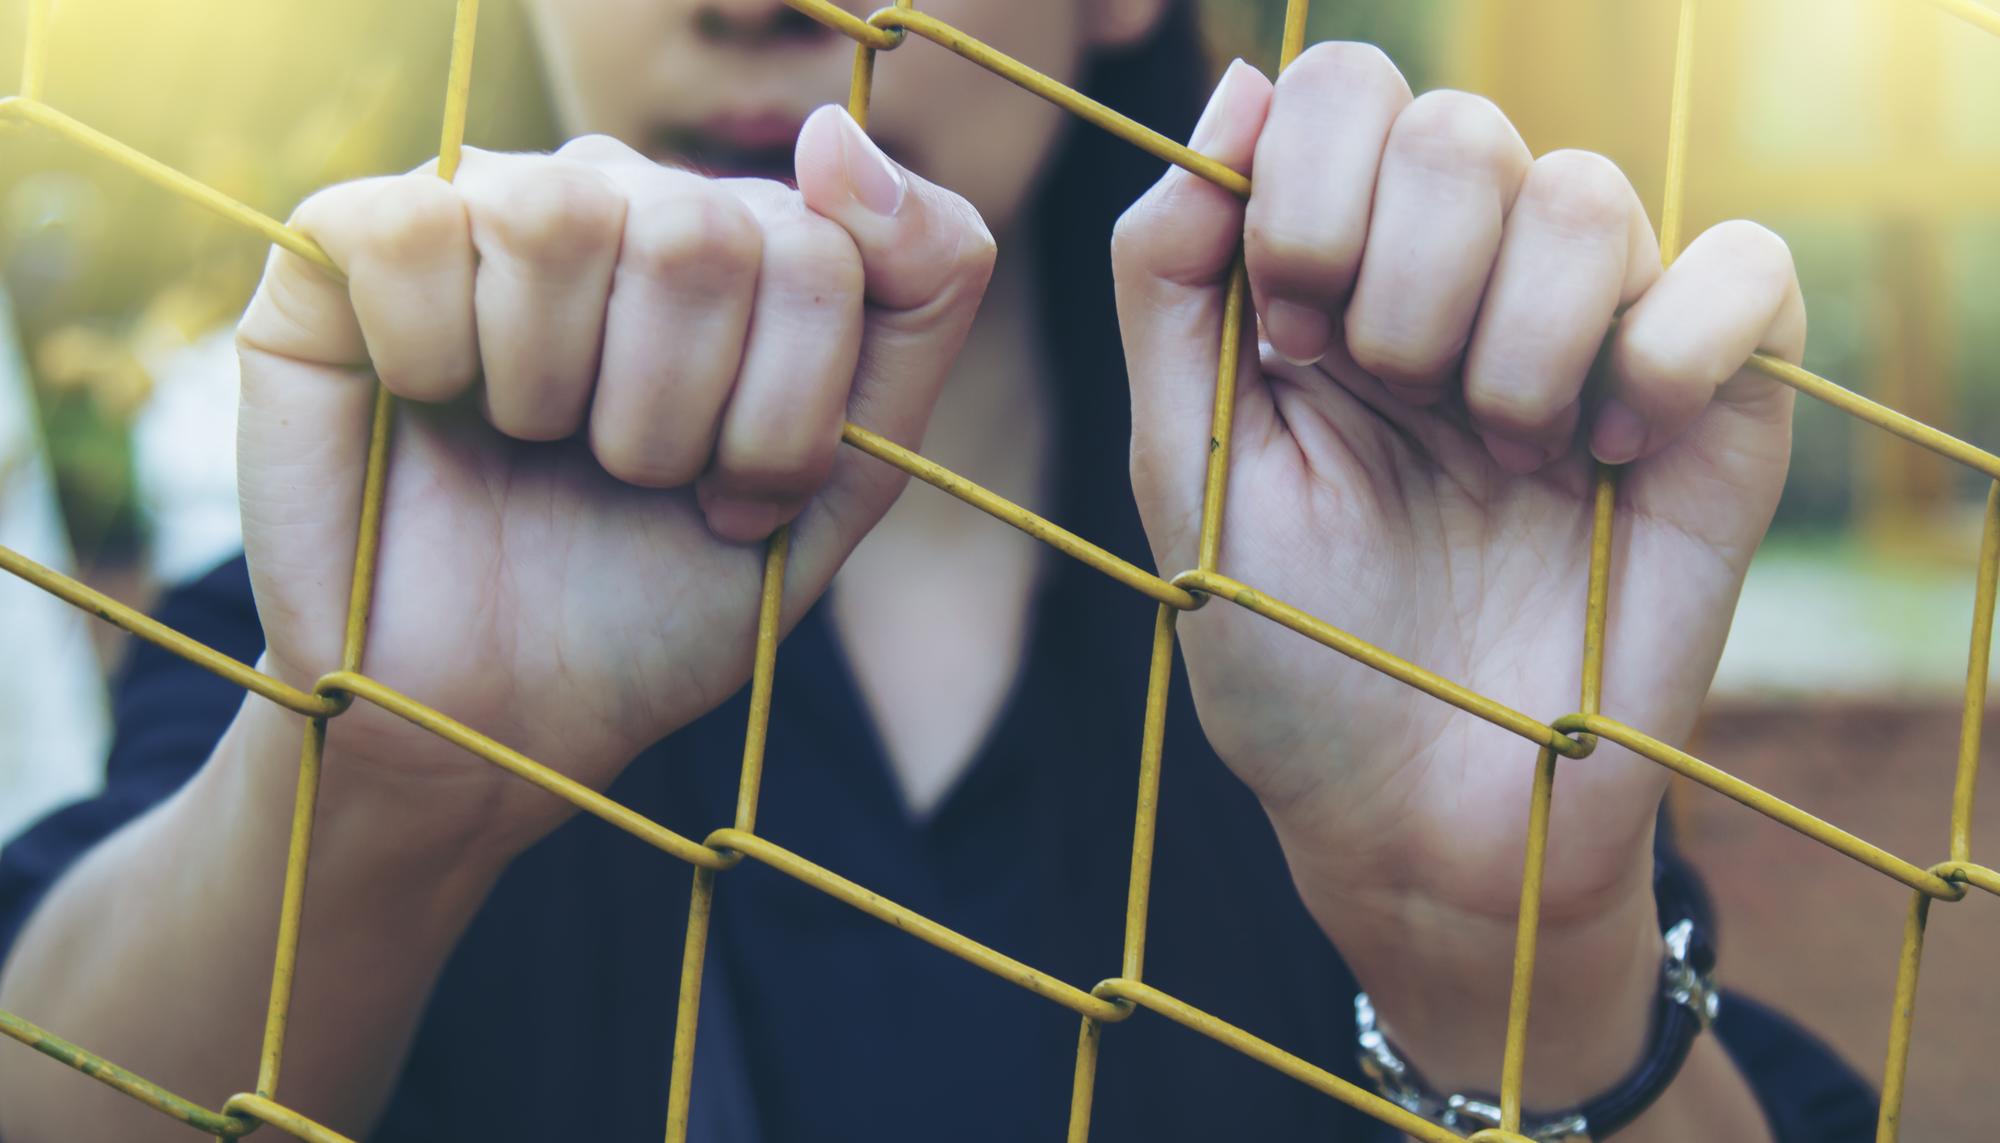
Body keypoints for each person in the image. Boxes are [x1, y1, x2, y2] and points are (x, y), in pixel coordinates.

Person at [0, 1, 1873, 1140]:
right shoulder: (352, 585)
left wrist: (1510, 944)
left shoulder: (1405, 574)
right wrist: (371, 787)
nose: (755, 5)